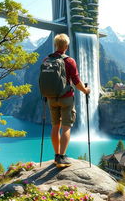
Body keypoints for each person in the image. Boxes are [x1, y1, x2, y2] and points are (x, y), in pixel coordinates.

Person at [47, 33, 90, 168]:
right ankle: (62, 157)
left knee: (55, 126)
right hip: (66, 98)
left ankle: (56, 156)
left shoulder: (46, 60)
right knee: (66, 126)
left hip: (51, 98)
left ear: (55, 45)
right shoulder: (69, 61)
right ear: (66, 46)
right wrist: (86, 91)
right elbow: (76, 82)